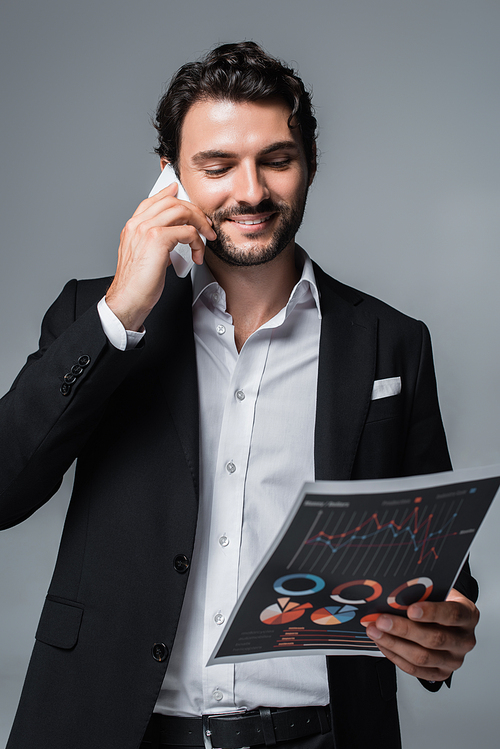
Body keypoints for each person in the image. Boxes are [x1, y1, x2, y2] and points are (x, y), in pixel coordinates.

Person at [0, 42, 479, 749]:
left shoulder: (393, 342)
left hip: (324, 733)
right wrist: (121, 310)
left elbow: (428, 551)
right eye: (217, 166)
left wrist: (448, 620)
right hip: (115, 726)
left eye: (276, 160)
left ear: (309, 162)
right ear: (170, 176)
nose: (250, 192)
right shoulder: (91, 318)